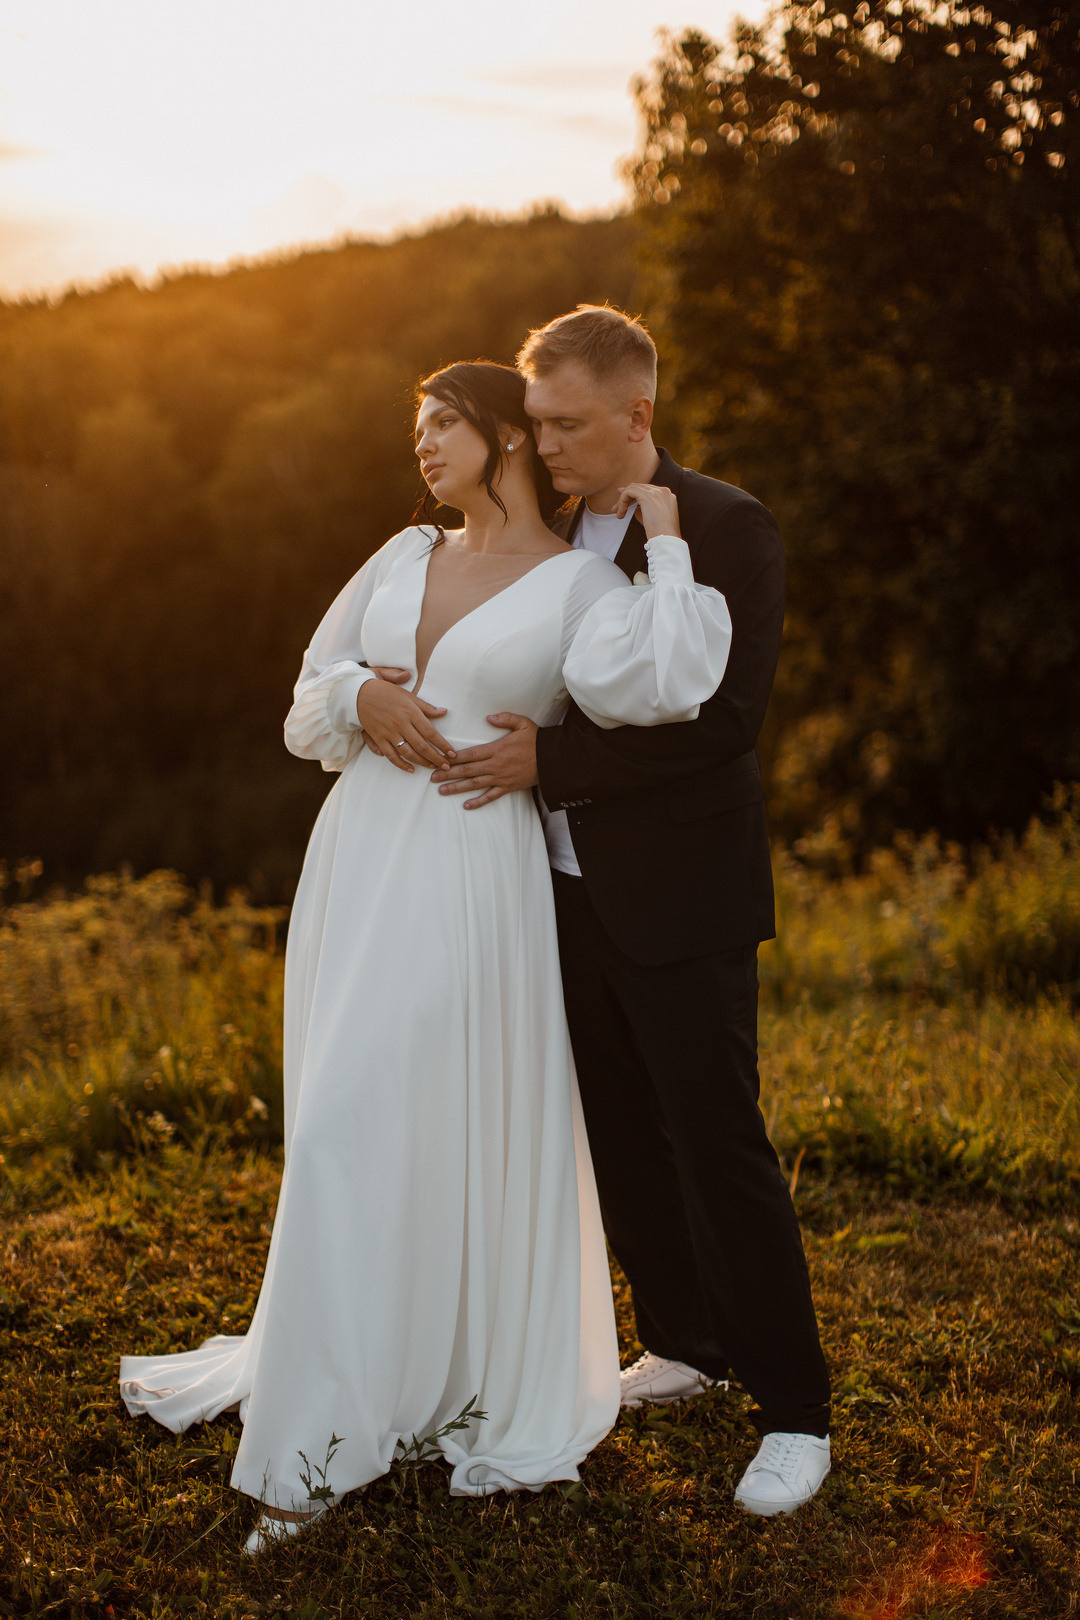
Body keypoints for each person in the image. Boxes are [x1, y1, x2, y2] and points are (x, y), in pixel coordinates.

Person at [118, 360, 733, 1553]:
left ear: (505, 436)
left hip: (471, 872)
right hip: (361, 862)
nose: (425, 447)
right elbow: (306, 702)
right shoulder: (402, 557)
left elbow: (668, 685)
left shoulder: (576, 587)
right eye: (420, 429)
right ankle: (351, 1378)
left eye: (444, 425)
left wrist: (662, 537)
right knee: (343, 1117)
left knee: (402, 1117)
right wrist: (363, 694)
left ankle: (313, 1456)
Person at [417, 308, 833, 1517]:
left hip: (682, 892)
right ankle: (688, 1343)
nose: (539, 444)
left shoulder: (726, 525)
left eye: (563, 424)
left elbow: (724, 724)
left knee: (718, 1142)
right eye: (533, 424)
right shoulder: (546, 529)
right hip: (549, 888)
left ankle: (796, 1409)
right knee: (615, 1131)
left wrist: (554, 763)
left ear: (636, 417)